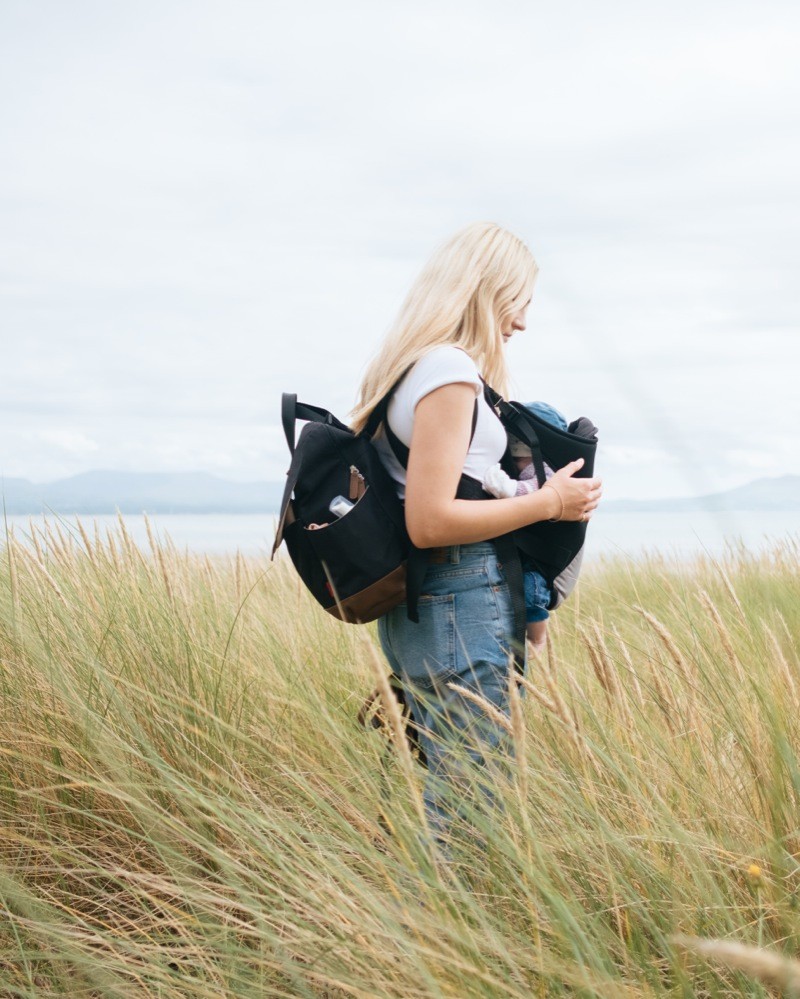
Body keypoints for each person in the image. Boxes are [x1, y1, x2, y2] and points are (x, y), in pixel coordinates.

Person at [350, 222, 602, 855]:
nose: (522, 321)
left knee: (448, 796)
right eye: (519, 300)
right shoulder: (448, 370)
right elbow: (429, 520)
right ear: (487, 291)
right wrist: (550, 501)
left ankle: (407, 942)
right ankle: (431, 948)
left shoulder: (416, 369)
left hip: (433, 604)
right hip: (462, 599)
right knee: (468, 817)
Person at [482, 401, 596, 656]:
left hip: (540, 558)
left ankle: (537, 640)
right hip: (531, 546)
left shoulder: (542, 468)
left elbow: (539, 490)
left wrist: (506, 488)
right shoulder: (530, 462)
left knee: (533, 591)